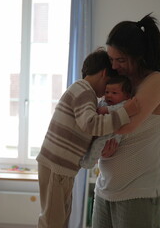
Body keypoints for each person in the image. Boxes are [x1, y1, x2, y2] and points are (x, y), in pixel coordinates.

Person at [36, 48, 139, 228]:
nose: (106, 95)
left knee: (59, 218)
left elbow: (85, 132)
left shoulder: (84, 92)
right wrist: (124, 113)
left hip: (60, 167)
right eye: (107, 87)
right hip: (57, 166)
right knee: (52, 221)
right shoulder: (84, 91)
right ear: (104, 73)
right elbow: (90, 124)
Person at [92, 13, 160, 228]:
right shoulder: (118, 82)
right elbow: (100, 119)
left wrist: (96, 127)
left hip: (140, 192)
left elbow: (126, 124)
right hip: (105, 188)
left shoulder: (155, 82)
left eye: (121, 60)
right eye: (111, 59)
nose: (115, 66)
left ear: (138, 56)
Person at [80, 76, 132, 169]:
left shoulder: (125, 104)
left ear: (126, 96)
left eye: (114, 93)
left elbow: (116, 109)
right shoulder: (104, 102)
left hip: (111, 136)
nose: (109, 95)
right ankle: (85, 156)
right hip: (103, 131)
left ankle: (88, 163)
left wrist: (104, 109)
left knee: (98, 143)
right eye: (107, 92)